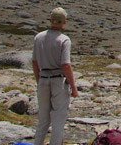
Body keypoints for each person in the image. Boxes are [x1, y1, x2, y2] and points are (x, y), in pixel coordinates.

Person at [32, 7, 79, 145]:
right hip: (58, 80)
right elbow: (66, 65)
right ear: (64, 22)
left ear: (50, 20)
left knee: (43, 119)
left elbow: (34, 62)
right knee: (58, 119)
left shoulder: (38, 37)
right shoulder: (64, 40)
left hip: (43, 78)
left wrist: (39, 81)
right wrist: (73, 87)